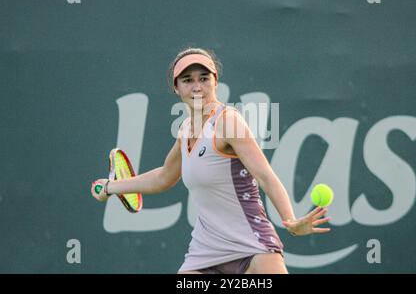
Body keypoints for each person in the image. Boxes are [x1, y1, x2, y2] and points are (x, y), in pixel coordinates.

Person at [91, 47, 331, 274]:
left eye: (204, 78)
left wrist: (290, 220)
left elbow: (265, 176)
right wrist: (111, 187)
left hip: (252, 244)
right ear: (176, 88)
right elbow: (164, 177)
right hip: (206, 248)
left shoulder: (228, 122)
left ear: (215, 81)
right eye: (188, 80)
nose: (197, 87)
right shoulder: (185, 129)